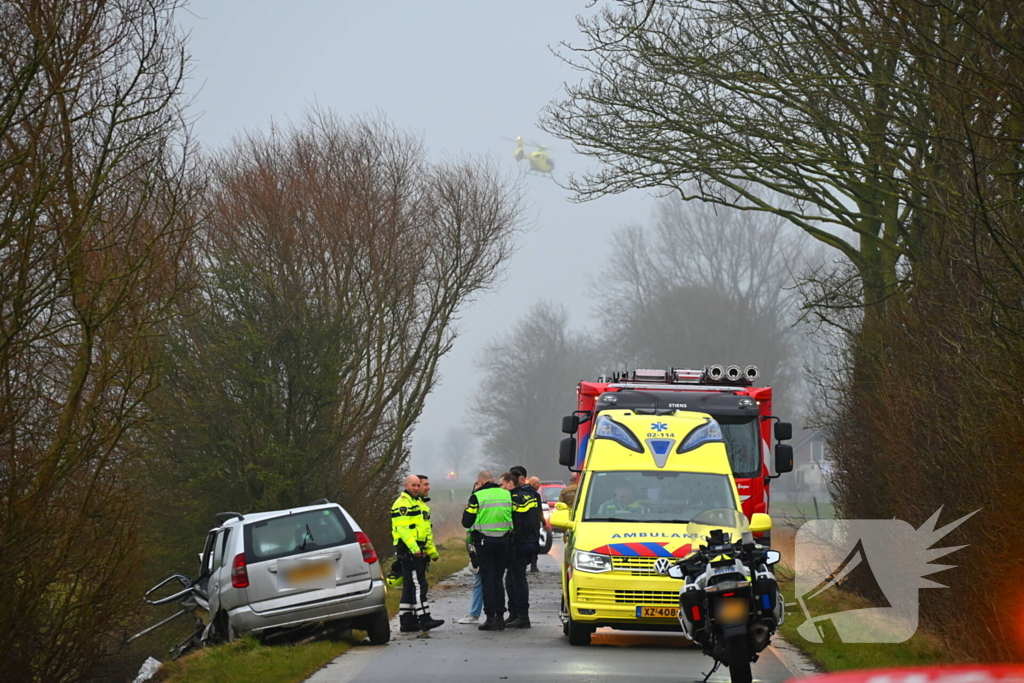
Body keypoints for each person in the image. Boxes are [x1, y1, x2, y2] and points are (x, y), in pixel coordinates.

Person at [391, 475, 444, 633]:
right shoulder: (402, 503)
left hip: (417, 548)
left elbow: (426, 530)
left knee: (410, 585)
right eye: (413, 485)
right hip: (409, 549)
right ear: (406, 485)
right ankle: (425, 618)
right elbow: (403, 529)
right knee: (418, 584)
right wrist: (414, 549)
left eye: (417, 485)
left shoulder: (418, 503)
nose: (416, 488)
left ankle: (407, 620)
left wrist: (431, 551)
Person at [462, 469, 513, 631]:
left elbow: (466, 521)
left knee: (487, 580)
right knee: (498, 579)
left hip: (484, 543)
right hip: (504, 541)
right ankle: (500, 617)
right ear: (493, 480)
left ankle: (490, 618)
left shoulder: (477, 496)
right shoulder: (507, 494)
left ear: (481, 482)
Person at [502, 470, 540, 629]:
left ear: (511, 483)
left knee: (517, 579)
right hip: (530, 541)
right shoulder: (531, 495)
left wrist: (511, 541)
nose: (501, 487)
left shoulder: (515, 498)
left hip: (520, 544)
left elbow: (517, 523)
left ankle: (522, 616)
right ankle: (515, 615)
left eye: (502, 484)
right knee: (512, 578)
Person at [457, 475, 488, 625]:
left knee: (480, 582)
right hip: (475, 547)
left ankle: (475, 613)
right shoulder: (472, 506)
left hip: (483, 545)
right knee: (480, 581)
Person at [415, 474, 440, 569]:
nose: (428, 488)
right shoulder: (413, 505)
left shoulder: (422, 504)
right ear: (417, 486)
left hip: (421, 552)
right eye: (425, 485)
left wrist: (430, 551)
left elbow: (426, 531)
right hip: (416, 553)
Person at [527, 475, 543, 573]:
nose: (539, 486)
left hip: (525, 524)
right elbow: (539, 510)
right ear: (534, 484)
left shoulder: (523, 493)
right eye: (538, 484)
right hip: (534, 524)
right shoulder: (536, 495)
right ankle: (533, 565)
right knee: (535, 544)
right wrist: (544, 522)